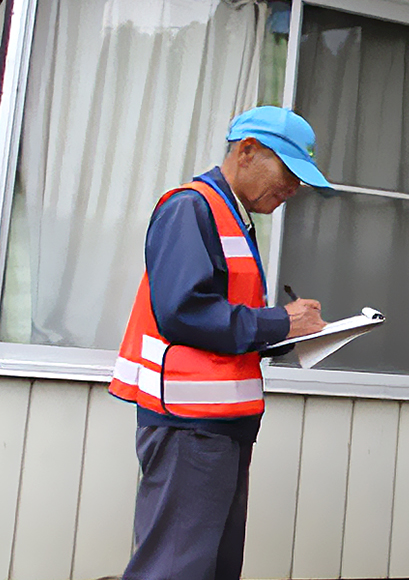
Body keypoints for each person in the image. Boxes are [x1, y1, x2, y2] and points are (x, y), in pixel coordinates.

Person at [108, 106, 330, 580]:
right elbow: (183, 312)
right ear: (246, 151)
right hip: (189, 425)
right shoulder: (191, 207)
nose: (293, 188)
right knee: (176, 568)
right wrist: (278, 323)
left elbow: (224, 323)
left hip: (215, 425)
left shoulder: (230, 214)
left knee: (207, 567)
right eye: (288, 172)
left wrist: (291, 333)